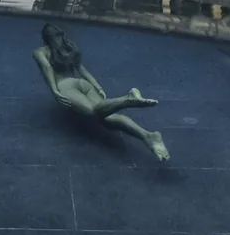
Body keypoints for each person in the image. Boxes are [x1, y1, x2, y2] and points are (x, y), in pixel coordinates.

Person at [33, 23, 170, 161]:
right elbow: (82, 70)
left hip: (64, 85)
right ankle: (148, 135)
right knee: (107, 119)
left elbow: (47, 69)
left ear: (45, 38)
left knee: (93, 111)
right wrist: (97, 87)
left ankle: (127, 99)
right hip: (82, 83)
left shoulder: (40, 52)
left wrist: (55, 90)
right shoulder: (69, 47)